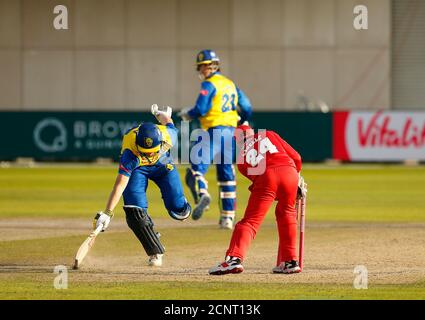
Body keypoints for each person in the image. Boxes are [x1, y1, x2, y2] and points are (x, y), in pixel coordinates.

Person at [93, 105, 192, 267]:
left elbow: (169, 122)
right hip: (138, 170)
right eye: (145, 152)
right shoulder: (129, 153)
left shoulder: (168, 136)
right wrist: (108, 213)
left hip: (163, 166)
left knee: (180, 211)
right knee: (134, 212)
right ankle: (154, 249)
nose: (148, 155)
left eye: (152, 151)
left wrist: (161, 115)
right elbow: (120, 185)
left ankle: (181, 202)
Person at [209, 123, 307, 275]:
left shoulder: (241, 160)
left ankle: (234, 259)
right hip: (290, 173)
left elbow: (261, 182)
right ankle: (290, 262)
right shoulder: (269, 134)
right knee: (287, 213)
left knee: (250, 221)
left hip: (267, 177)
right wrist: (297, 176)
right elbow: (296, 157)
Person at [178, 49, 252, 230]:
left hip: (212, 131)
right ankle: (227, 218)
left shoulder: (209, 85)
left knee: (196, 168)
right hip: (230, 133)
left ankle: (203, 194)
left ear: (208, 67)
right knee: (227, 175)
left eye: (203, 67)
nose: (203, 70)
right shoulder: (230, 84)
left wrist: (188, 114)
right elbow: (247, 106)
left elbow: (201, 109)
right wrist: (240, 121)